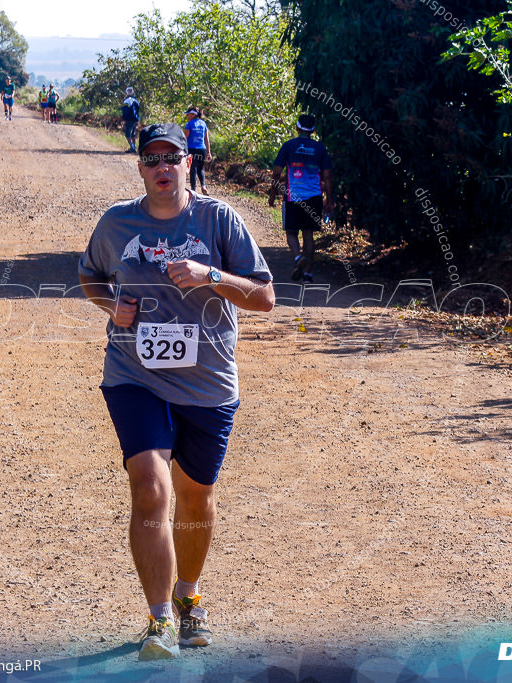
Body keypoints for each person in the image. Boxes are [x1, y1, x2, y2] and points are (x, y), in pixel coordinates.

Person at [78, 123, 275, 661]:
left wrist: (211, 274)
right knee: (149, 485)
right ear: (140, 167)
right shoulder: (117, 223)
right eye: (152, 159)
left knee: (193, 496)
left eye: (172, 158)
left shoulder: (219, 220)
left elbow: (264, 297)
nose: (162, 167)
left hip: (208, 379)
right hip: (133, 373)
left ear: (190, 162)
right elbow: (90, 276)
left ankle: (189, 597)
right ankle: (158, 620)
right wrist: (109, 307)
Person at [268, 114, 332, 283]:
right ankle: (308, 274)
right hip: (314, 197)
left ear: (297, 128)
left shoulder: (289, 146)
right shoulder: (320, 149)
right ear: (313, 130)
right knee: (309, 234)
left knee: (291, 233)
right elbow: (327, 177)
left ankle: (297, 258)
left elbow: (276, 172)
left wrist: (273, 194)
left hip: (293, 197)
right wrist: (329, 201)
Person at [183, 107, 211, 195]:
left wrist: (182, 150)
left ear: (193, 115)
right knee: (200, 168)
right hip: (202, 149)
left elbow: (185, 138)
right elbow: (206, 139)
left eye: (188, 114)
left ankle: (193, 190)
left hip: (191, 149)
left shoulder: (189, 124)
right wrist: (208, 152)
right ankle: (203, 186)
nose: (187, 116)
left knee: (193, 169)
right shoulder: (203, 124)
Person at [121, 87, 141, 153]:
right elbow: (137, 111)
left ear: (126, 93)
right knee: (133, 134)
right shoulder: (136, 101)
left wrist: (124, 120)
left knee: (127, 134)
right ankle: (134, 147)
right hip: (135, 119)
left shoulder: (126, 101)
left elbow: (125, 111)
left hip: (129, 120)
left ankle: (132, 147)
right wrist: (138, 119)